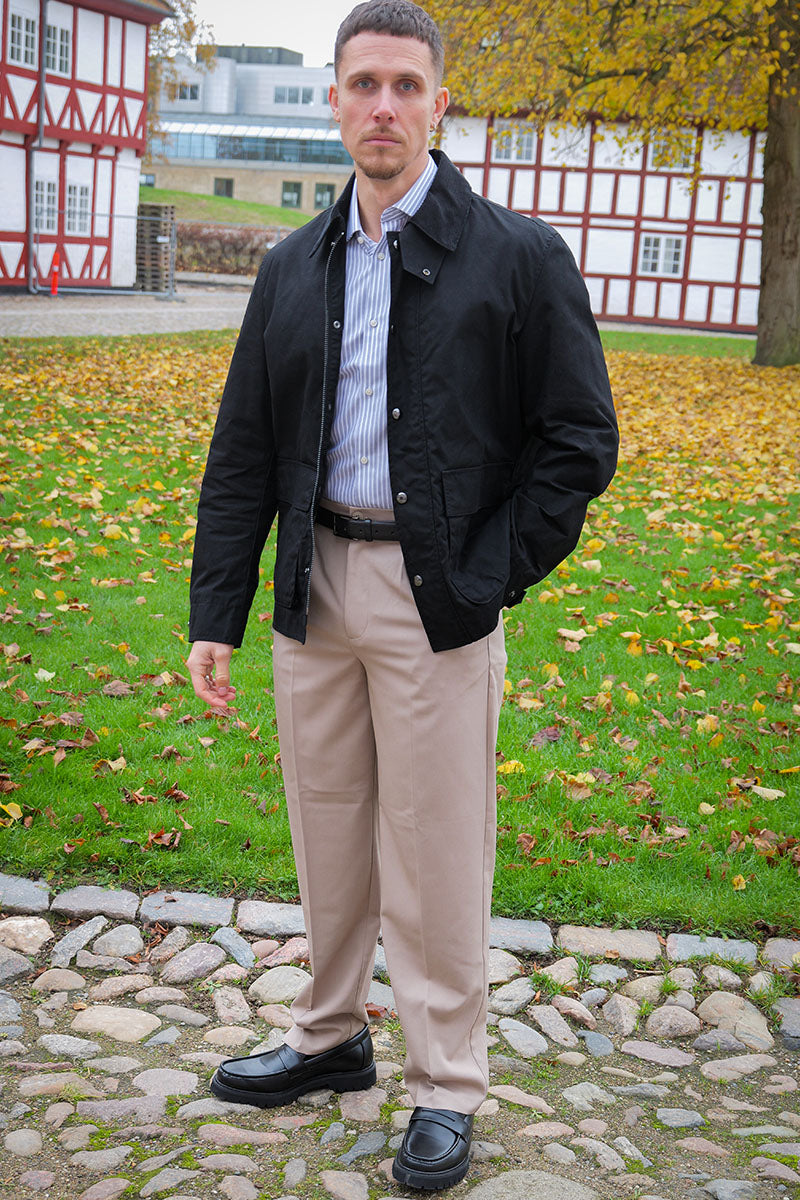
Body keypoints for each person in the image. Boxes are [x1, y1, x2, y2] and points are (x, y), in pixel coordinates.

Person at [186, 0, 618, 1189]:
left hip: (436, 595)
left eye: (405, 86)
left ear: (438, 104)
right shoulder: (291, 264)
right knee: (327, 829)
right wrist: (217, 612)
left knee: (433, 850)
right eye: (362, 84)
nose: (382, 106)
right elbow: (241, 448)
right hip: (313, 587)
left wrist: (488, 574)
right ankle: (329, 1036)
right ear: (333, 100)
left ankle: (446, 1084)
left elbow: (577, 440)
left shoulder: (515, 257)